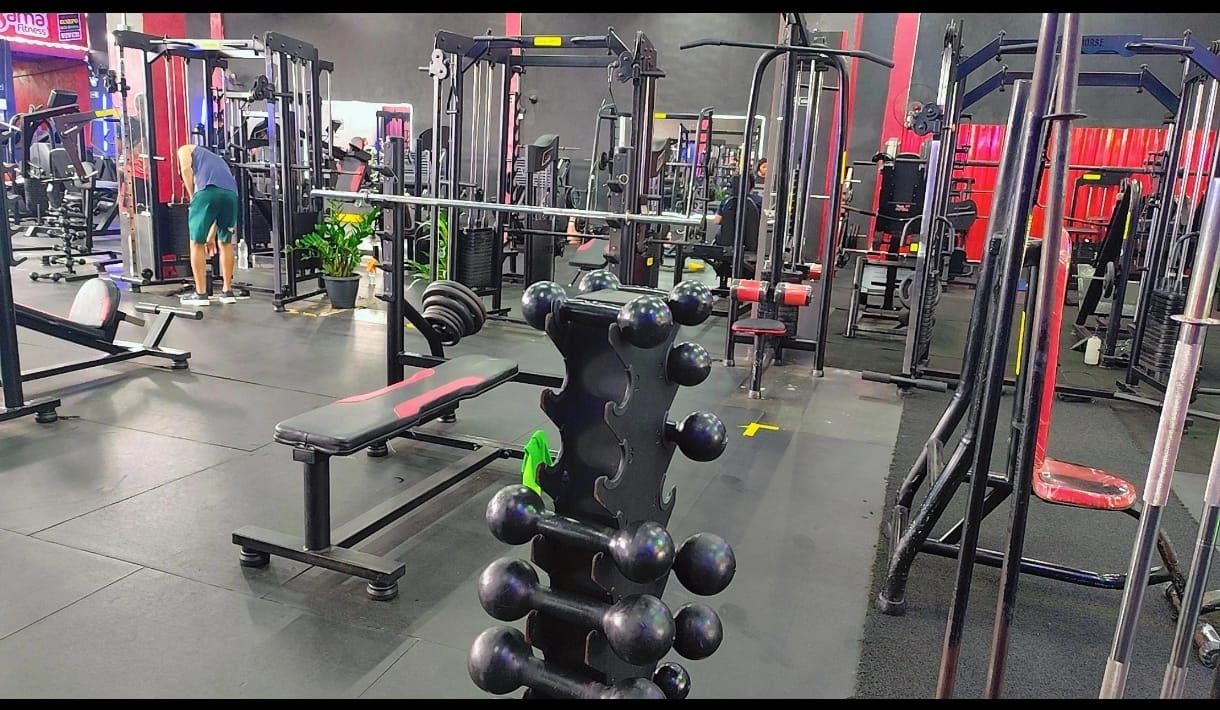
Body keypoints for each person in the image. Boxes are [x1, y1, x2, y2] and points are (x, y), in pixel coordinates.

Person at [176, 143, 241, 306]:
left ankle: (201, 294)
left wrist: (193, 196)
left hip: (206, 191)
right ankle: (227, 292)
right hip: (231, 195)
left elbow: (185, 169)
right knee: (225, 242)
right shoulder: (217, 160)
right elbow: (216, 207)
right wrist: (211, 235)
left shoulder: (185, 149)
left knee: (196, 243)